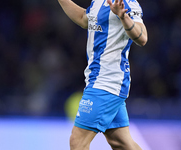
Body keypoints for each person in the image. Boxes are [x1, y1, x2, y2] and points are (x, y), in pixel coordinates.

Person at [58, 0, 148, 149]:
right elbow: (82, 18)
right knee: (121, 143)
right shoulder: (97, 2)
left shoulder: (127, 3)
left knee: (77, 141)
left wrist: (122, 16)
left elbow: (143, 37)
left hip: (107, 83)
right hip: (99, 81)